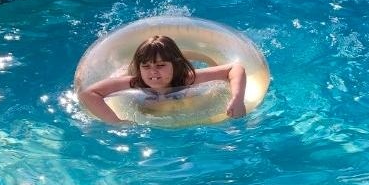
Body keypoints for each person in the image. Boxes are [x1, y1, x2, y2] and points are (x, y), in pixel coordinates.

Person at [79, 34, 248, 125]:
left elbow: (235, 68)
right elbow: (89, 93)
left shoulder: (187, 79)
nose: (153, 73)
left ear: (175, 65)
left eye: (160, 66)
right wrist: (116, 122)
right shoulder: (134, 83)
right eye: (146, 66)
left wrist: (237, 98)